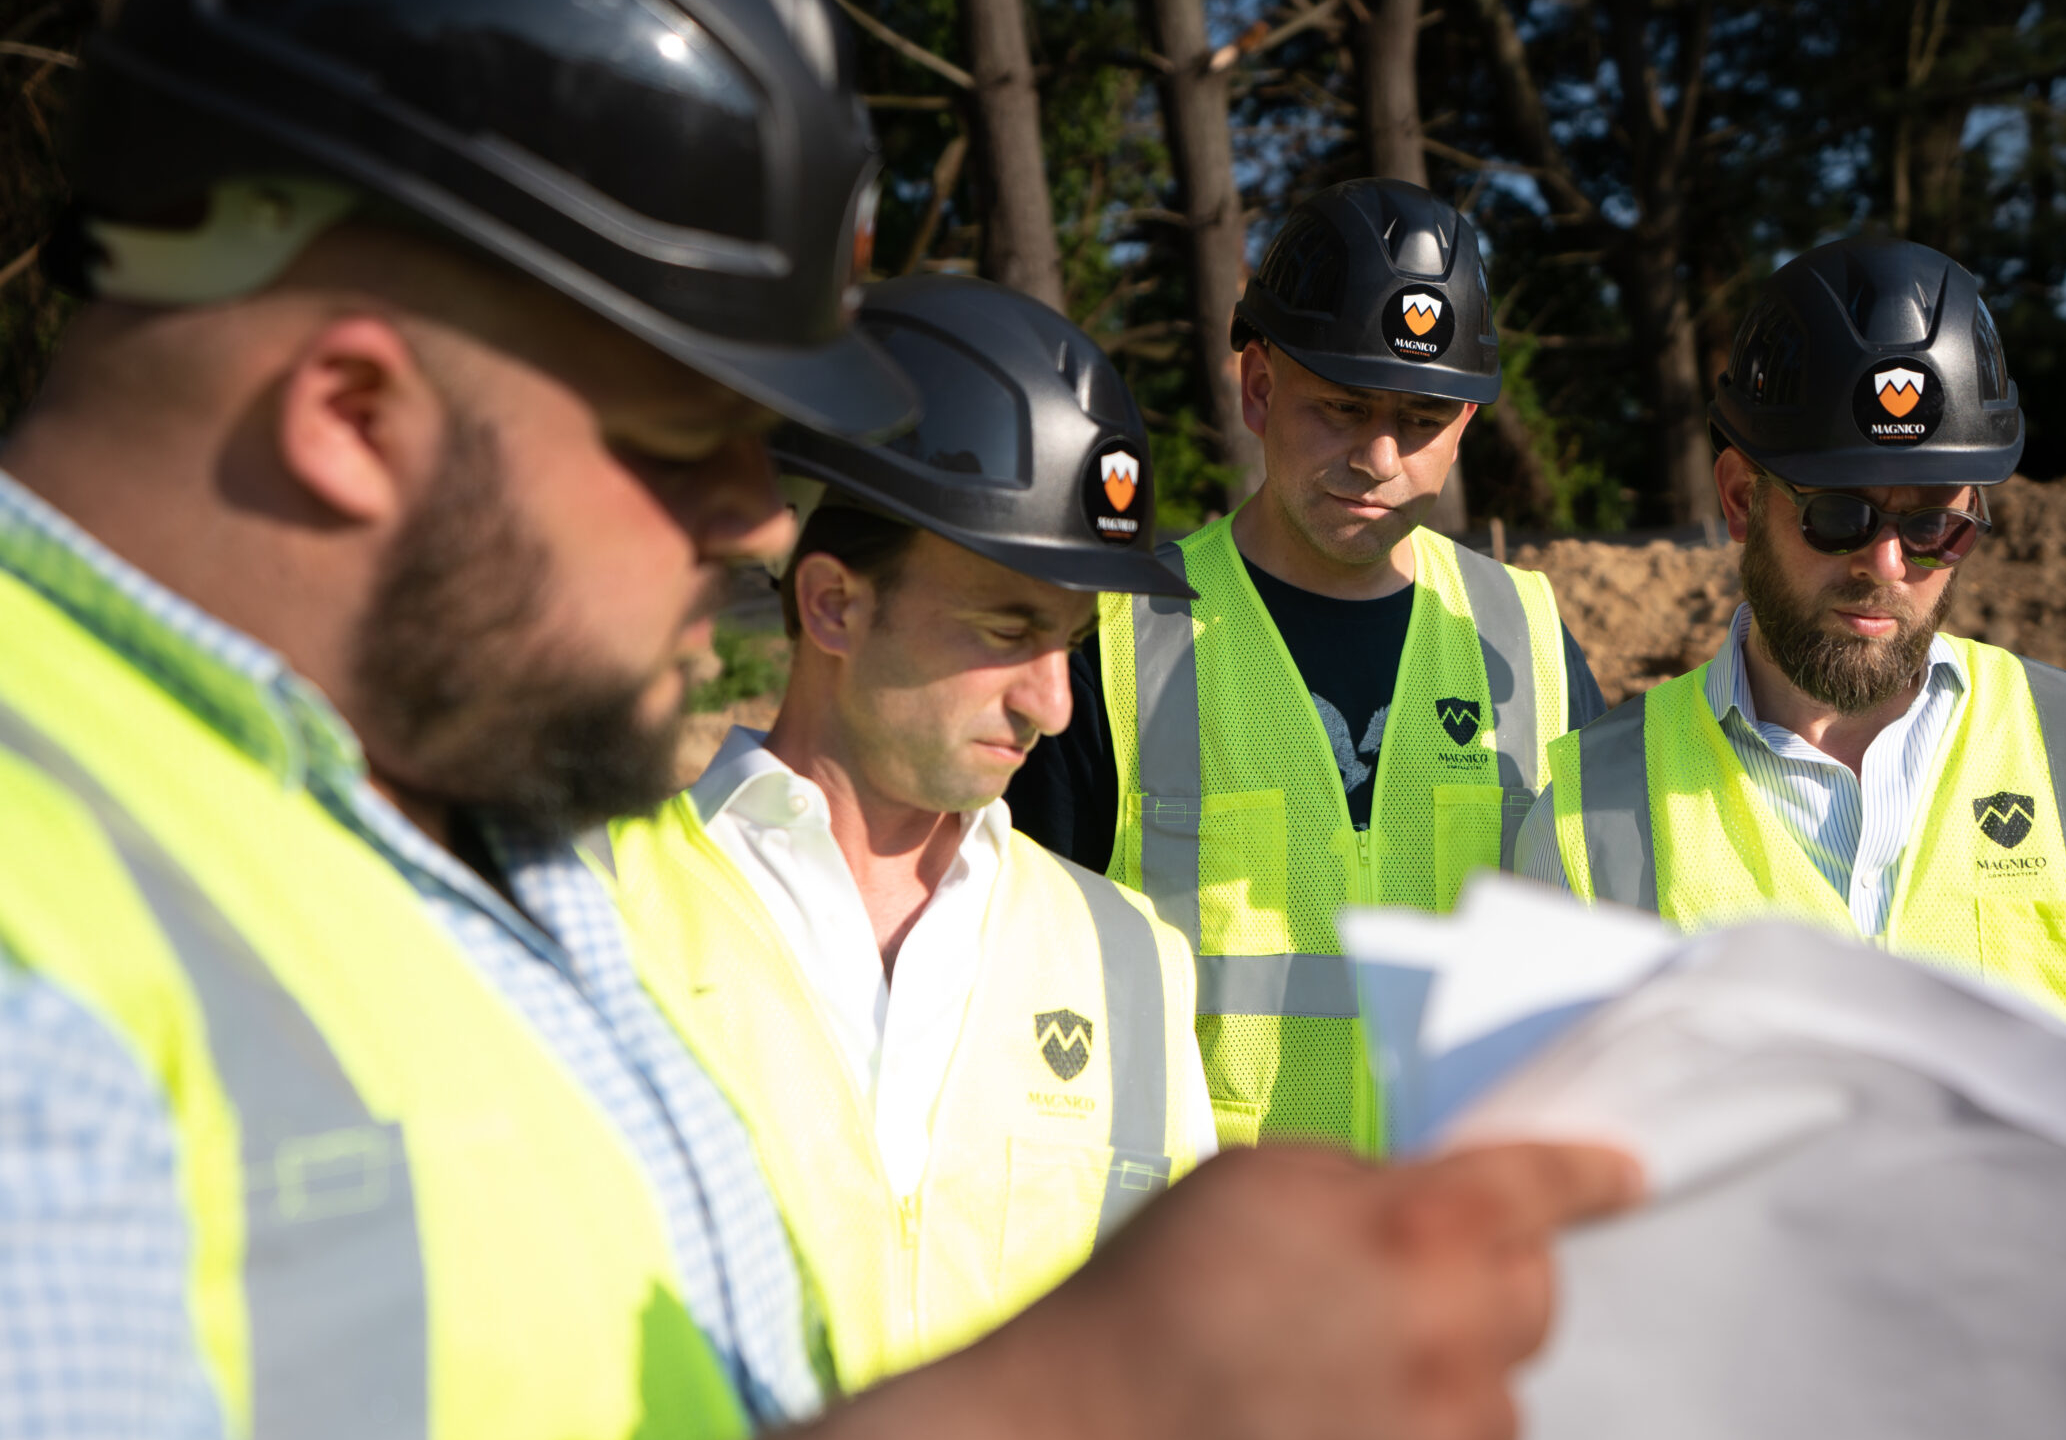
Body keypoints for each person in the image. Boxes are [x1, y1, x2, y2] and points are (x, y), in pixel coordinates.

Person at [0, 3, 1640, 1437]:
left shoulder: (477, 843)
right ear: (353, 418)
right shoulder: (45, 930)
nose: (760, 530)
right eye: (682, 436)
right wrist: (1070, 1402)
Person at [1512, 237, 2066, 1132]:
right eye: (1839, 516)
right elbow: (1542, 1177)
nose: (1888, 565)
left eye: (1935, 523)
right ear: (1742, 498)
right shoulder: (1591, 815)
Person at [599, 274, 1219, 1391]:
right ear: (832, 605)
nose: (1055, 703)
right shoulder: (593, 917)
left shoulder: (1131, 961)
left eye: (1073, 642)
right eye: (1007, 628)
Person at [1008, 179, 1608, 1155]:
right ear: (1257, 387)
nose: (1378, 456)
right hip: (1207, 1268)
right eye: (1340, 408)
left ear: (1463, 429)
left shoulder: (1528, 639)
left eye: (1420, 421)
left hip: (1447, 1255)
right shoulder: (1117, 636)